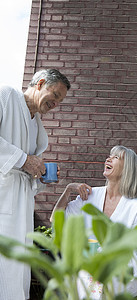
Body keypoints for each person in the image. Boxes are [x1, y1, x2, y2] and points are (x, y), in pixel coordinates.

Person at [0, 69, 70, 300]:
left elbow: (29, 172)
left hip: (21, 208)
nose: (56, 104)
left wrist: (39, 173)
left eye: (60, 100)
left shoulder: (38, 128)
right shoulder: (6, 97)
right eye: (55, 95)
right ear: (40, 83)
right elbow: (22, 161)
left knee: (18, 268)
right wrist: (24, 160)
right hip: (3, 199)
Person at [51, 145, 137, 297]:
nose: (108, 159)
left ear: (127, 169)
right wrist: (68, 189)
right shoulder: (89, 196)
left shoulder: (135, 207)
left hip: (116, 281)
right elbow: (56, 219)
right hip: (83, 278)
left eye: (116, 157)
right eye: (110, 155)